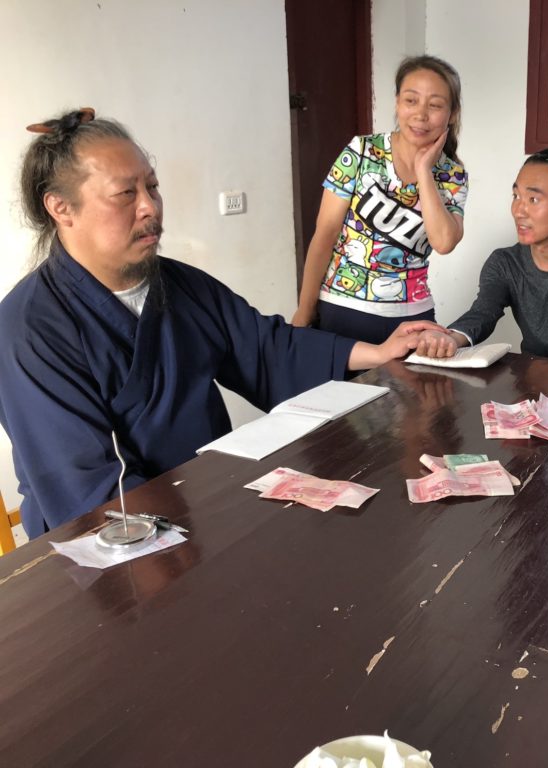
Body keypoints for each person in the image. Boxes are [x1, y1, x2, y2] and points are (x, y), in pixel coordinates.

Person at [0, 109, 438, 539]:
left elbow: (266, 347)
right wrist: (174, 544)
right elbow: (81, 488)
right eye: (125, 194)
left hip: (206, 505)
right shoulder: (27, 329)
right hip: (114, 544)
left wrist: (378, 352)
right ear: (61, 208)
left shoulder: (181, 285)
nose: (150, 207)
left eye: (152, 186)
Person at [291, 55, 469, 344]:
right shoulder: (360, 152)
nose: (421, 114)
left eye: (435, 105)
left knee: (417, 391)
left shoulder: (452, 175)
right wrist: (303, 312)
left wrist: (424, 171)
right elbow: (325, 235)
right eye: (411, 100)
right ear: (398, 102)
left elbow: (444, 242)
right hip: (343, 310)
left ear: (452, 113)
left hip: (413, 317)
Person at [411, 148, 548, 367]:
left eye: (533, 199)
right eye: (516, 196)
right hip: (530, 388)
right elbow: (482, 313)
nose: (519, 210)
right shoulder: (506, 263)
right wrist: (450, 338)